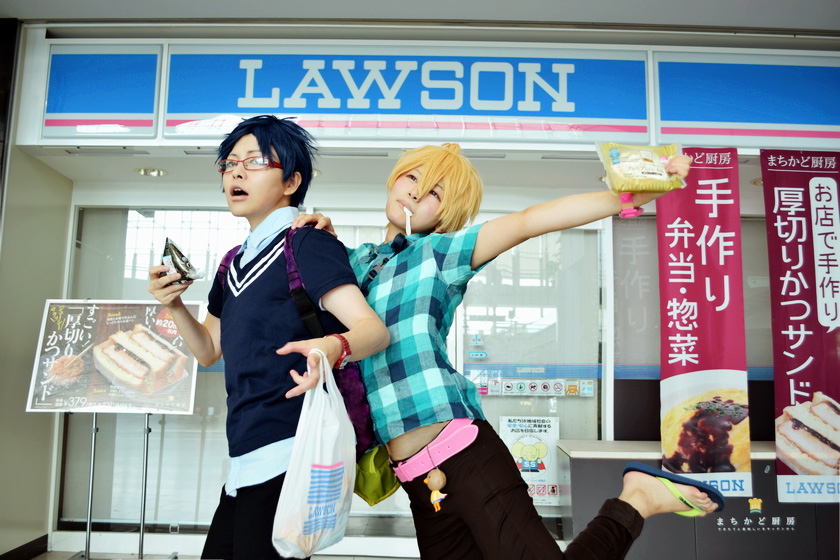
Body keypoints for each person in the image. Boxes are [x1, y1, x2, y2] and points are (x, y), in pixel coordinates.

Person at [292, 143, 722, 559]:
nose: (417, 193)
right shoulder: (356, 262)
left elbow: (527, 221)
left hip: (463, 453)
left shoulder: (439, 253)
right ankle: (638, 499)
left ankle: (636, 501)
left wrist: (628, 195)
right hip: (416, 479)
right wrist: (317, 232)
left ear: (446, 214)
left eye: (436, 193)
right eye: (412, 177)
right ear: (394, 180)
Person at [147, 115, 390, 560]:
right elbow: (208, 350)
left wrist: (331, 347)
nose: (236, 173)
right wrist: (175, 305)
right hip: (244, 453)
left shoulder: (307, 243)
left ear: (291, 181)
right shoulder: (232, 262)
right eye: (229, 163)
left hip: (291, 449)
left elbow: (373, 331)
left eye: (255, 161)